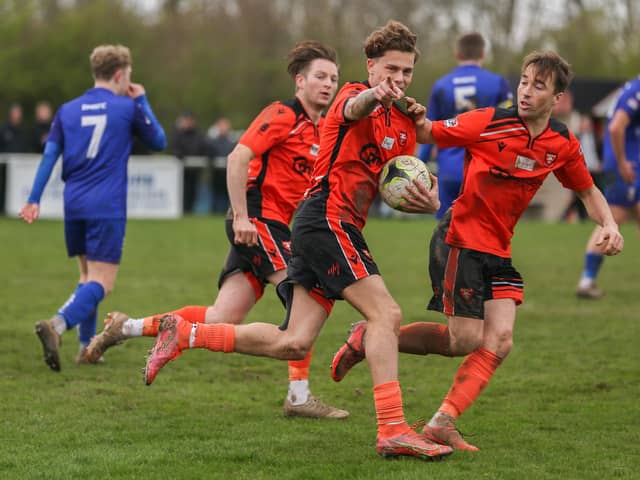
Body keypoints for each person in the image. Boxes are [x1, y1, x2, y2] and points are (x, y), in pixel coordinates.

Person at [141, 21, 451, 461]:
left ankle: (187, 333)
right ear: (371, 66)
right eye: (390, 69)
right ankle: (393, 428)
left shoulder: (402, 121)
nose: (398, 79)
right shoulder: (351, 95)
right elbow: (357, 107)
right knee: (387, 313)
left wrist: (428, 198)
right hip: (327, 218)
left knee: (295, 342)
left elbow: (399, 180)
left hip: (328, 225)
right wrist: (374, 94)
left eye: (406, 72)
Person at [331, 51, 624, 451]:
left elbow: (586, 189)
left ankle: (441, 422)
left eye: (538, 86)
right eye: (523, 81)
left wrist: (608, 223)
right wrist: (416, 115)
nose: (525, 91)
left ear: (557, 98)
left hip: (498, 249)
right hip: (459, 240)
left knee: (501, 340)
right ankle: (370, 337)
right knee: (464, 341)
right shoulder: (488, 121)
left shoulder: (562, 143)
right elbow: (431, 132)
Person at [87, 41, 348, 419]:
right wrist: (242, 217)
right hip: (258, 223)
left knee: (220, 317)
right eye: (320, 76)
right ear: (299, 81)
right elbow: (237, 157)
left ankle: (123, 328)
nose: (328, 84)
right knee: (304, 295)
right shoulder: (282, 115)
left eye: (334, 79)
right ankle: (298, 396)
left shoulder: (321, 130)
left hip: (274, 228)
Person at [20, 44, 166, 371]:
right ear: (120, 74)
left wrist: (34, 198)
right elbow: (159, 141)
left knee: (87, 276)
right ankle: (56, 327)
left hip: (74, 203)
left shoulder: (67, 110)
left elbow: (49, 156)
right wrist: (140, 98)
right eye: (128, 75)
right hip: (106, 204)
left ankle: (87, 348)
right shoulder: (126, 108)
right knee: (103, 282)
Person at [417, 32, 513, 219]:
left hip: (449, 170)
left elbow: (426, 129)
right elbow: (509, 127)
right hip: (485, 170)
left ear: (458, 54)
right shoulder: (498, 83)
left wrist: (420, 166)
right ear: (482, 54)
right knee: (481, 232)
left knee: (446, 232)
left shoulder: (441, 86)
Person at [576, 75, 639, 298]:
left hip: (625, 165)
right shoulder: (636, 91)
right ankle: (586, 280)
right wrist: (622, 163)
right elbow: (615, 128)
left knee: (614, 216)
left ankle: (587, 280)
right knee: (612, 217)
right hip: (627, 167)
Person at [171, 111, 208, 213]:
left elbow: (204, 147)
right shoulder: (177, 134)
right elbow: (174, 149)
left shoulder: (199, 134)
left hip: (195, 170)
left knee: (193, 192)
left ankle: (189, 211)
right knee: (182, 191)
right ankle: (182, 210)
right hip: (181, 171)